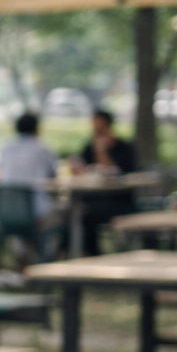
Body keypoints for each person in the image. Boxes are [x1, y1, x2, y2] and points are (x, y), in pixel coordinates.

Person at [71, 109, 138, 256]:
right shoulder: (90, 147)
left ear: (109, 127)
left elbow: (122, 176)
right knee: (73, 213)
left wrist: (102, 152)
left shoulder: (124, 148)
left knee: (87, 215)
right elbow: (81, 168)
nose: (97, 132)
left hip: (119, 201)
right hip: (94, 198)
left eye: (100, 128)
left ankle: (91, 255)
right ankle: (75, 253)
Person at [0, 112, 57, 218]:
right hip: (36, 211)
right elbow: (53, 174)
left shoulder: (5, 148)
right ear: (36, 129)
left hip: (6, 210)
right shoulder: (44, 149)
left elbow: (1, 169)